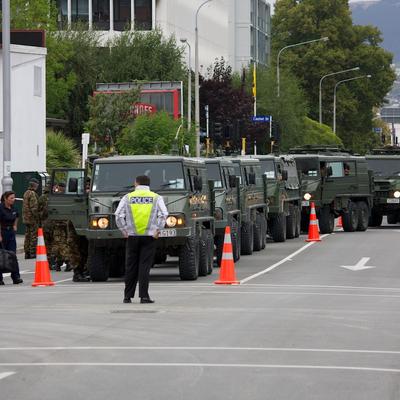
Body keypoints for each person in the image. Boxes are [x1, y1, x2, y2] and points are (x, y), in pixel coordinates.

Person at [115, 175, 168, 304]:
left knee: (131, 266)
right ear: (148, 184)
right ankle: (144, 296)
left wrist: (124, 230)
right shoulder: (156, 197)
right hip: (149, 237)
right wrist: (158, 229)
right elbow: (164, 214)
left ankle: (127, 297)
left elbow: (118, 215)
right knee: (144, 267)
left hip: (132, 236)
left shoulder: (127, 197)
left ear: (136, 183)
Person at [0, 191, 23, 285]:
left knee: (13, 255)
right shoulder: (1, 208)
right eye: (11, 198)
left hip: (11, 233)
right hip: (2, 232)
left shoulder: (13, 208)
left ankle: (16, 277)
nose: (13, 200)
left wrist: (15, 225)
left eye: (14, 198)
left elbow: (17, 216)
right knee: (1, 256)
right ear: (5, 198)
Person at [22, 178, 40, 259]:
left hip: (26, 218)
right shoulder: (32, 194)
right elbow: (34, 207)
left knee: (27, 236)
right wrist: (38, 217)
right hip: (32, 219)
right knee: (33, 236)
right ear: (35, 185)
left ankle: (27, 252)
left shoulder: (26, 193)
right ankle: (33, 252)